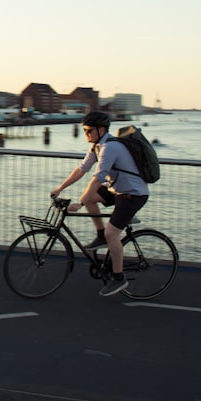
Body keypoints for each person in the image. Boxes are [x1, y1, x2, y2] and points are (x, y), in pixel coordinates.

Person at [50, 111, 149, 296]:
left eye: (88, 131)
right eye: (84, 130)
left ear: (101, 130)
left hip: (133, 194)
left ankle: (119, 278)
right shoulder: (97, 146)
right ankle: (101, 234)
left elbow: (97, 178)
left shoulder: (110, 147)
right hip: (117, 190)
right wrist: (60, 187)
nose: (86, 134)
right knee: (92, 198)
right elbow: (82, 169)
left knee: (114, 233)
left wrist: (80, 203)